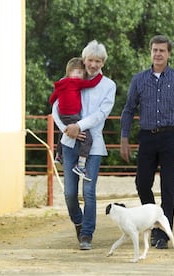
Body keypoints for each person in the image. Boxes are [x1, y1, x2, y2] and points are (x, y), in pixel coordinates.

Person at [120, 35, 174, 249]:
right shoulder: (139, 79)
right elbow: (128, 109)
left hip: (171, 137)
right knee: (142, 183)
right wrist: (124, 138)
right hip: (147, 136)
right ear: (150, 52)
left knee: (168, 186)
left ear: (169, 54)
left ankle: (163, 233)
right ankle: (153, 218)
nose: (158, 54)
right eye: (155, 50)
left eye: (162, 50)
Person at [51, 40, 116, 250]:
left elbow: (100, 114)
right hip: (69, 142)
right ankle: (78, 221)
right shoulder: (69, 79)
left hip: (93, 144)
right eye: (90, 60)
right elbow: (55, 107)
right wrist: (65, 129)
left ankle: (87, 233)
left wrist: (78, 125)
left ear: (102, 63)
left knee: (88, 191)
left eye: (98, 61)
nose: (93, 64)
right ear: (84, 59)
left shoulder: (108, 86)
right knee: (70, 192)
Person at [49, 57, 103, 181]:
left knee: (63, 132)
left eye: (81, 73)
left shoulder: (62, 83)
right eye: (76, 72)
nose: (79, 75)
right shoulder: (76, 82)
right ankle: (81, 164)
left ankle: (59, 156)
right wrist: (99, 74)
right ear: (69, 72)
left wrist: (57, 100)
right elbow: (92, 83)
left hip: (63, 114)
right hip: (73, 115)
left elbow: (52, 99)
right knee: (87, 138)